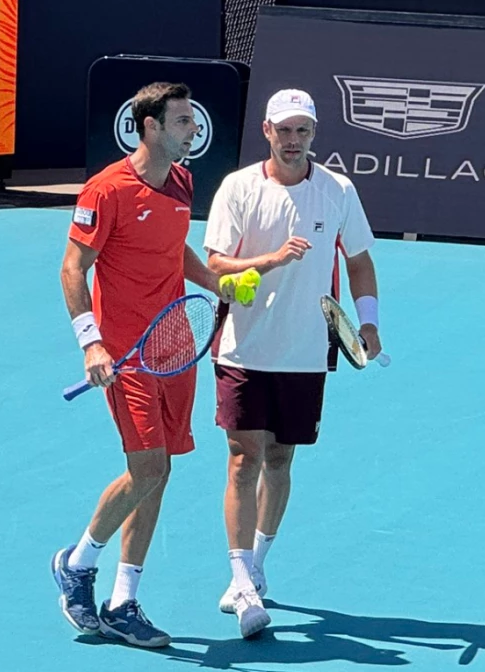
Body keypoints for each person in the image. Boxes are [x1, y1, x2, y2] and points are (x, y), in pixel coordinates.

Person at [51, 82, 247, 648]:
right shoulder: (105, 190)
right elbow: (72, 268)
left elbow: (174, 248)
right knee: (148, 469)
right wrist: (91, 343)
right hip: (125, 355)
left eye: (192, 120)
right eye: (183, 121)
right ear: (151, 126)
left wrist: (216, 282)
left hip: (173, 349)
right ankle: (78, 564)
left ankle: (124, 601)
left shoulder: (183, 181)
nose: (193, 130)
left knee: (160, 473)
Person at [202, 89, 383, 638]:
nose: (293, 140)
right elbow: (214, 263)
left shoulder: (338, 191)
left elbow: (360, 262)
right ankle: (238, 577)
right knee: (242, 457)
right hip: (243, 346)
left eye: (302, 131)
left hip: (307, 352)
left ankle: (257, 562)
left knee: (280, 458)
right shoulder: (238, 188)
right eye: (284, 130)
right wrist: (271, 261)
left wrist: (368, 322)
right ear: (266, 132)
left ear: (313, 134)